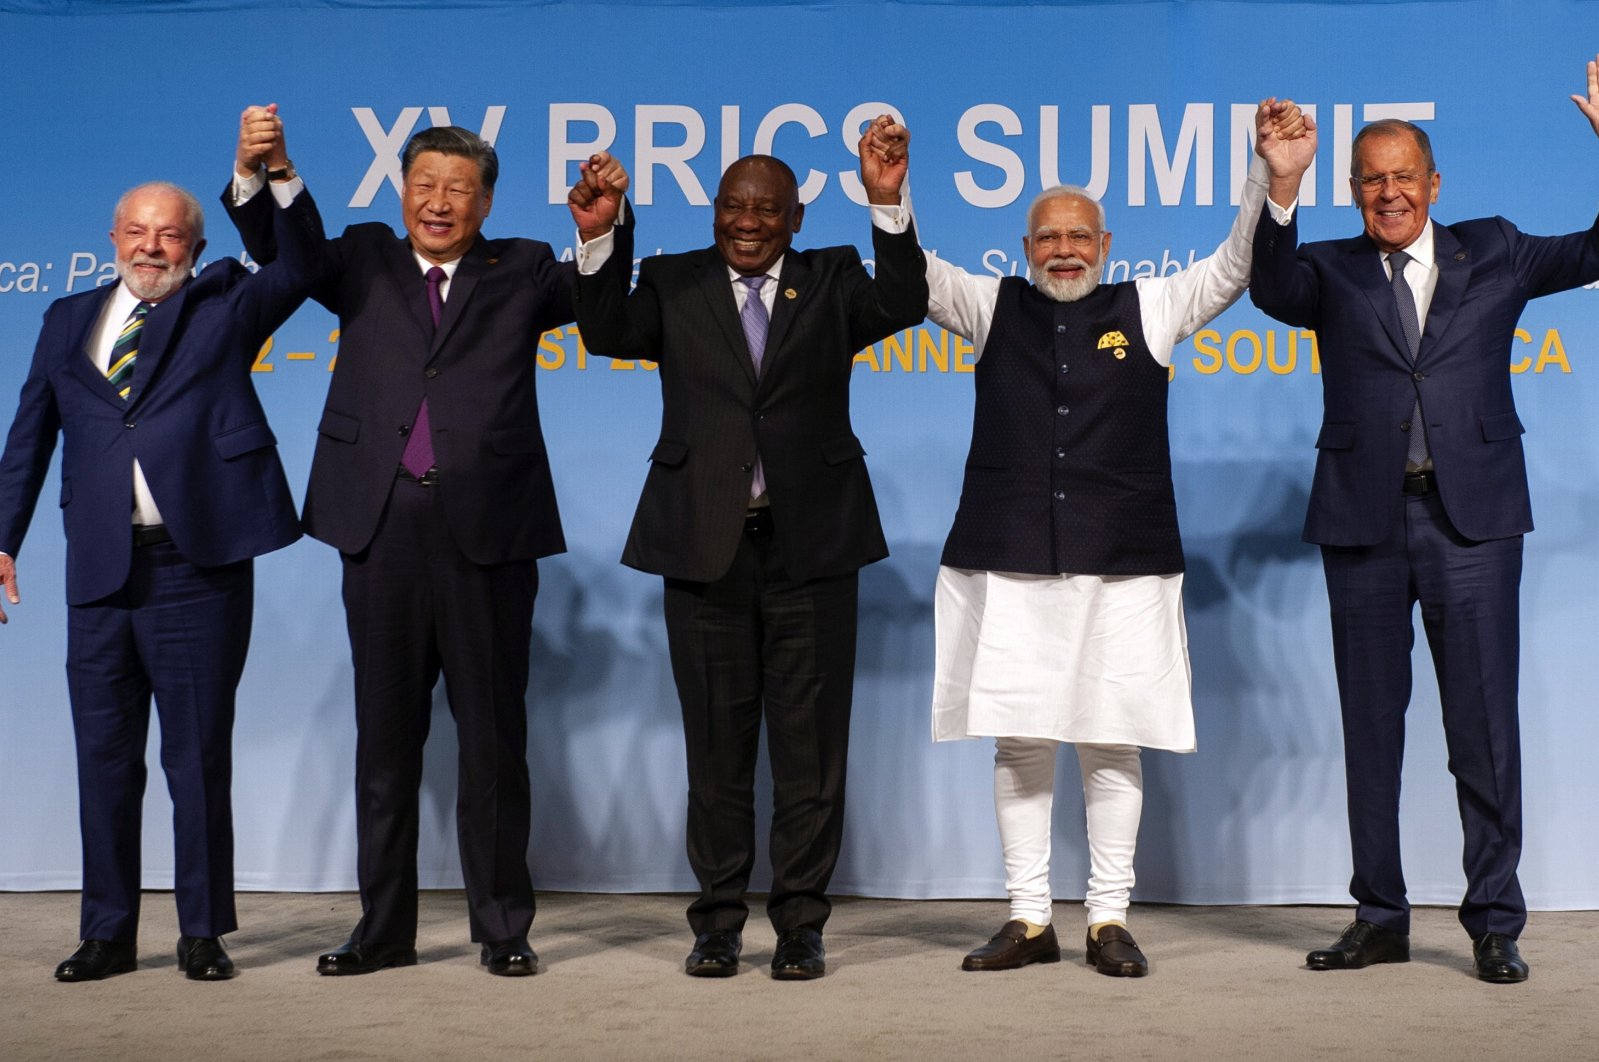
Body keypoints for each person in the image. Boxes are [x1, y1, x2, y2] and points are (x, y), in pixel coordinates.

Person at [223, 126, 626, 977]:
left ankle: (503, 927)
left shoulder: (517, 268)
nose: (438, 202)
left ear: (485, 202)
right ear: (401, 188)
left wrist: (598, 231)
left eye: (457, 189)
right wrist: (276, 172)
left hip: (489, 532)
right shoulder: (362, 257)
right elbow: (283, 253)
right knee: (385, 742)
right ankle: (383, 930)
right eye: (423, 183)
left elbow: (601, 309)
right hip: (379, 526)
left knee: (491, 742)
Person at [923, 100, 1304, 977]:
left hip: (1125, 563)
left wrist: (1269, 177)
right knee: (1017, 738)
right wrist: (891, 201)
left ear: (1105, 245)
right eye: (1047, 237)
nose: (1064, 249)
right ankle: (1026, 919)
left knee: (1111, 736)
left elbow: (1236, 266)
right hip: (1010, 557)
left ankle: (1105, 918)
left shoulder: (1156, 305)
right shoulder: (989, 307)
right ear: (1025, 251)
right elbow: (915, 276)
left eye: (1080, 236)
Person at [1249, 56, 1599, 984]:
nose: (1389, 192)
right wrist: (1277, 186)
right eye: (1371, 178)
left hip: (1473, 526)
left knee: (1482, 728)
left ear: (1434, 185)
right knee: (1371, 728)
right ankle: (1379, 916)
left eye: (1404, 176)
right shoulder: (1325, 268)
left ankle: (1492, 920)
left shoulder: (1497, 250)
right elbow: (1268, 288)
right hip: (1363, 524)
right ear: (1353, 191)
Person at [567, 116, 927, 979]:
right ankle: (716, 923)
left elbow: (905, 301)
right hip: (702, 548)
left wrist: (887, 202)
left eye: (766, 210)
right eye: (733, 206)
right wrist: (599, 235)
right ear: (713, 211)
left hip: (811, 552)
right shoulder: (672, 280)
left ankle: (799, 925)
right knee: (716, 753)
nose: (747, 222)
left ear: (796, 218)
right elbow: (604, 330)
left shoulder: (832, 278)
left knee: (809, 756)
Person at [0, 106, 317, 982]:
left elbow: (304, 265)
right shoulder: (66, 319)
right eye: (137, 232)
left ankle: (201, 932)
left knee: (194, 757)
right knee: (103, 760)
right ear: (111, 238)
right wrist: (4, 537)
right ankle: (105, 932)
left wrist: (274, 172)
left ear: (194, 243)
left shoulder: (225, 302)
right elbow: (30, 434)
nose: (152, 247)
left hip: (195, 566)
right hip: (98, 568)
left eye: (170, 234)